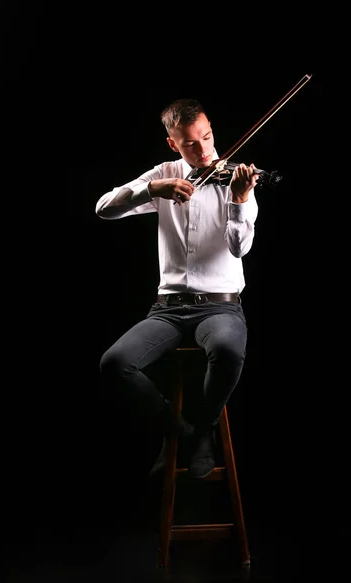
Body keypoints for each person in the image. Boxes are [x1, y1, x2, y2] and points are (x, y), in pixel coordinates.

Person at [95, 98, 259, 479]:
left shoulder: (238, 177)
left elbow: (239, 248)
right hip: (167, 308)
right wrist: (154, 189)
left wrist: (238, 201)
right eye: (190, 144)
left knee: (227, 350)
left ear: (211, 127)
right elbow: (104, 208)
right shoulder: (166, 175)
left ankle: (203, 430)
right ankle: (179, 430)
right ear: (173, 144)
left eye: (206, 137)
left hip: (220, 306)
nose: (203, 151)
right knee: (115, 364)